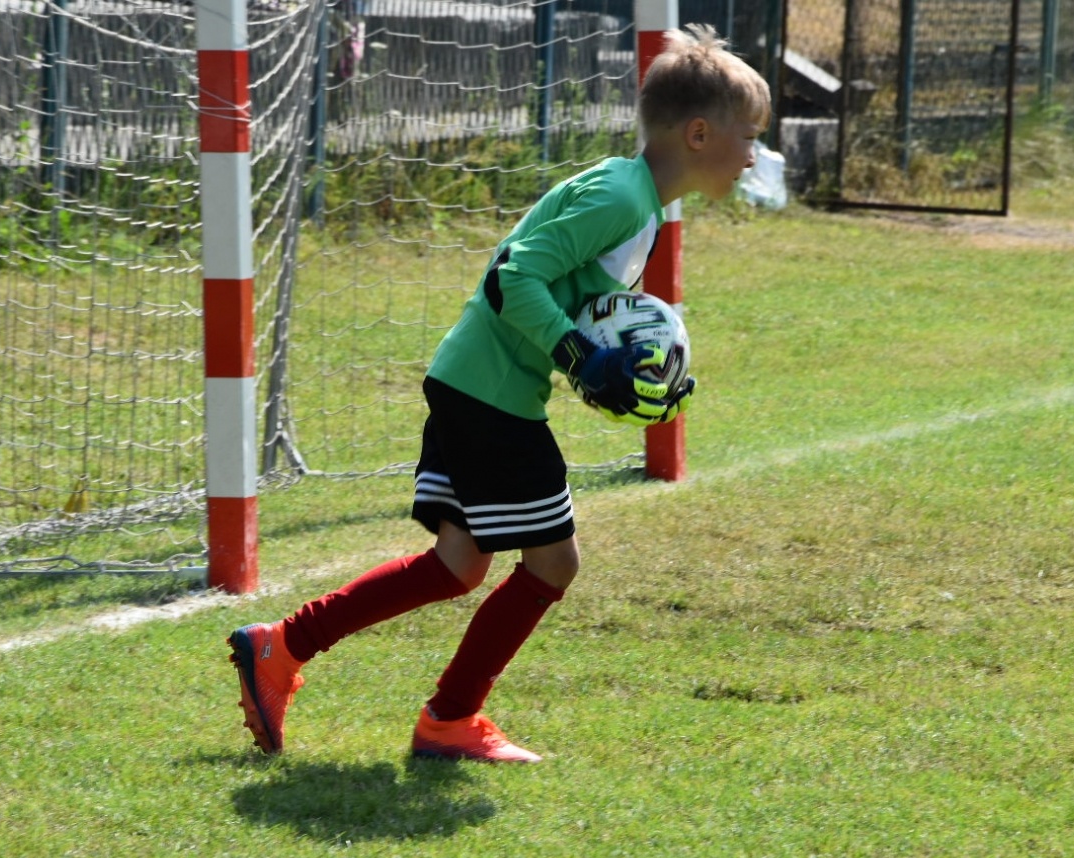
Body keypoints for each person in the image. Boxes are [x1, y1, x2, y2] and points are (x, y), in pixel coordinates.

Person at [227, 25, 772, 762]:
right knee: (554, 563)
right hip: (491, 397)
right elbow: (512, 277)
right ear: (700, 133)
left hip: (473, 381)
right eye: (749, 136)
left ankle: (281, 646)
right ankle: (449, 719)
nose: (753, 154)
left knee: (457, 565)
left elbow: (557, 294)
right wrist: (580, 358)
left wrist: (632, 372)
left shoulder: (635, 197)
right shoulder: (621, 198)